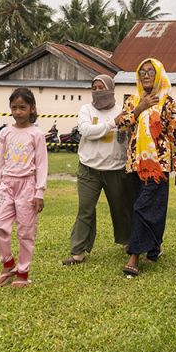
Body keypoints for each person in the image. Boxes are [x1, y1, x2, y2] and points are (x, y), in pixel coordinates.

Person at [116, 58, 176, 276]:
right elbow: (121, 124)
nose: (146, 75)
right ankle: (154, 248)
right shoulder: (132, 100)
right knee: (152, 207)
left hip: (159, 164)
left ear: (158, 75)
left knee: (143, 207)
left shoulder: (167, 100)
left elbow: (175, 135)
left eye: (150, 72)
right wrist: (139, 109)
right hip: (136, 164)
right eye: (142, 72)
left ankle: (134, 255)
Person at [63, 74, 136, 266]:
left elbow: (130, 134)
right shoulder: (86, 109)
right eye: (94, 88)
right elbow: (86, 131)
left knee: (121, 209)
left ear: (111, 89)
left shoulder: (123, 110)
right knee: (85, 209)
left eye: (101, 87)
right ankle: (78, 251)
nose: (97, 91)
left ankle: (128, 242)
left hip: (116, 169)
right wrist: (113, 123)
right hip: (89, 169)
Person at [0, 88, 48, 288]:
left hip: (28, 186)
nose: (18, 112)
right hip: (6, 184)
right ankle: (8, 263)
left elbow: (41, 164)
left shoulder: (37, 134)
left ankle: (23, 272)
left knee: (25, 231)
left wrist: (39, 192)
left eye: (22, 107)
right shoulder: (5, 132)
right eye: (14, 107)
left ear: (32, 108)